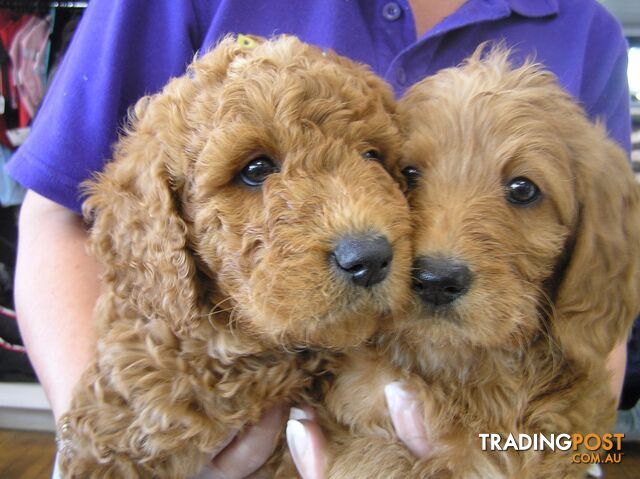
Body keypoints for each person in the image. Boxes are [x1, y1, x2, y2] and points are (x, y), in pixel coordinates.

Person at [6, 1, 632, 478]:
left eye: (374, 159)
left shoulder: (589, 27)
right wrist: (131, 442)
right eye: (409, 176)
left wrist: (537, 455)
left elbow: (598, 362)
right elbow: (59, 215)